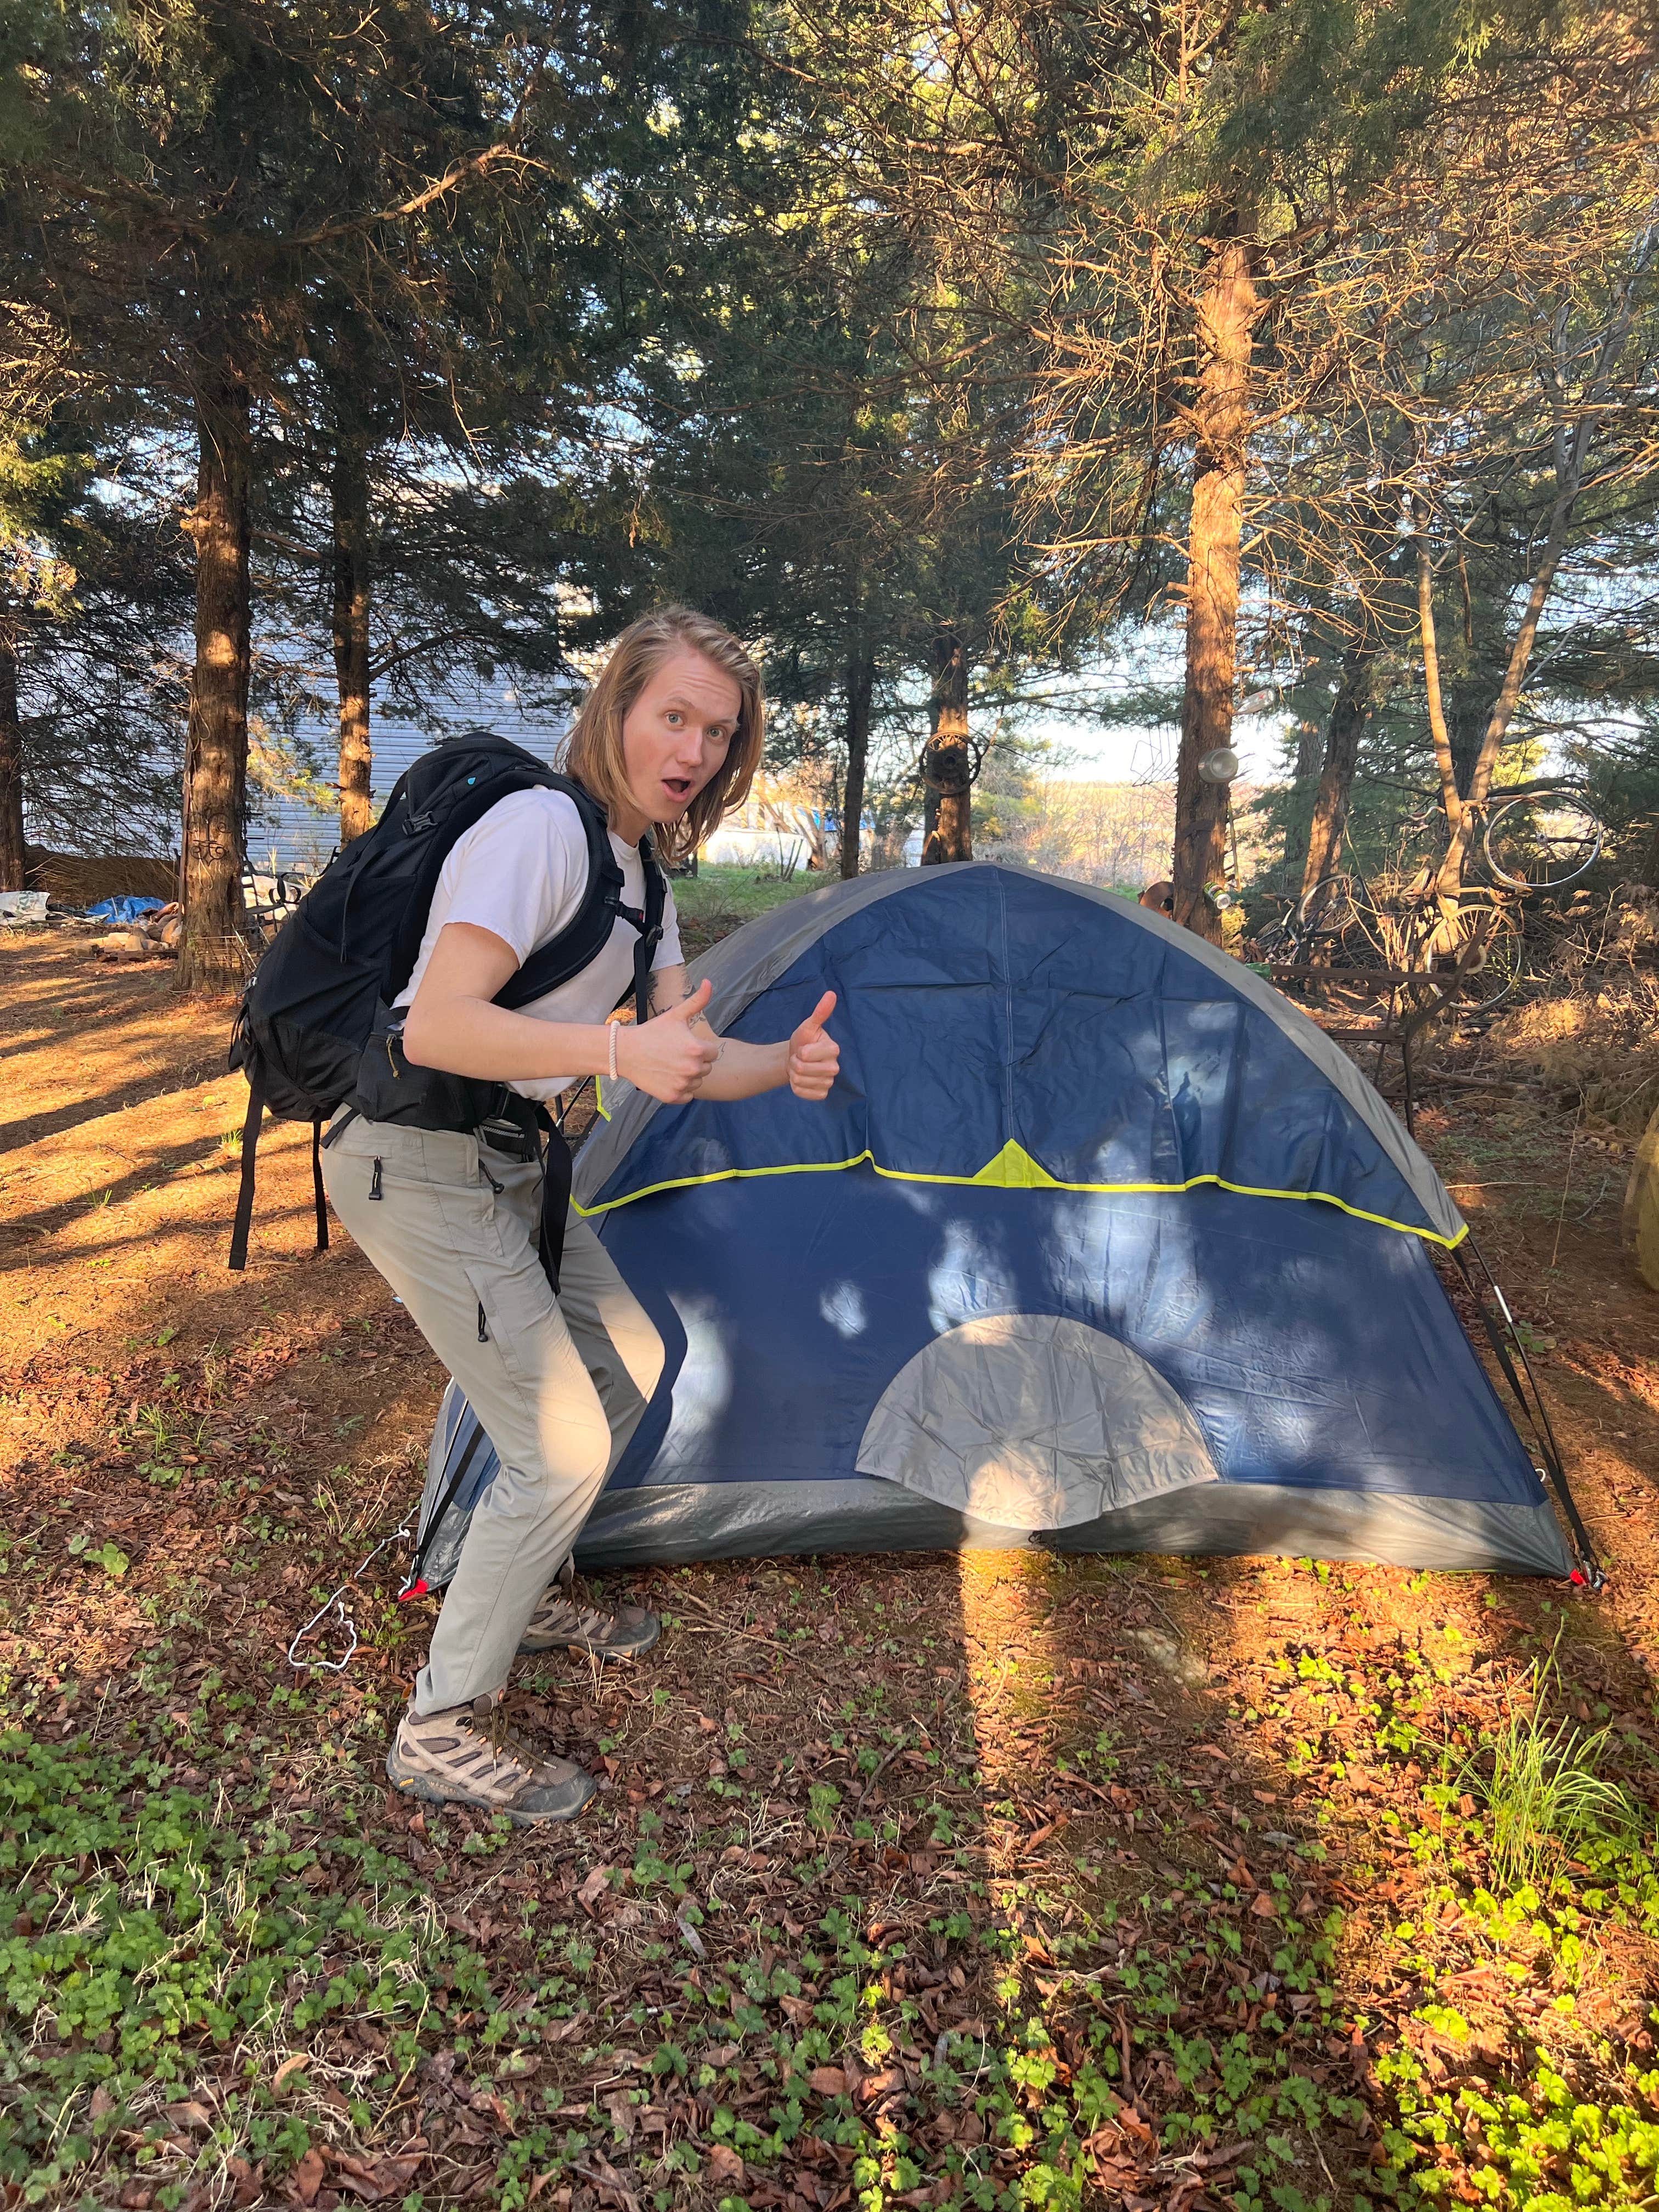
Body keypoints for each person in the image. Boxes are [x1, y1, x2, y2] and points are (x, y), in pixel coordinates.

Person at [321, 608, 840, 1824]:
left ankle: (507, 1575)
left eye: (719, 731)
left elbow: (685, 1055)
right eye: (676, 716)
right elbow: (438, 1023)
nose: (697, 749)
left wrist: (787, 1067)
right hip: (412, 1153)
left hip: (503, 1163)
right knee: (560, 1445)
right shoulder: (537, 831)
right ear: (617, 711)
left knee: (634, 1359)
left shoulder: (643, 879)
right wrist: (611, 1045)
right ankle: (440, 1728)